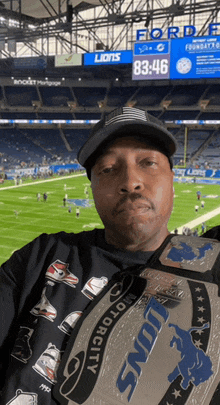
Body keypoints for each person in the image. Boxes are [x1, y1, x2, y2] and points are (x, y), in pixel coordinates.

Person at [0, 107, 219, 405]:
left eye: (148, 163)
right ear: (92, 186)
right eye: (107, 169)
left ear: (172, 177)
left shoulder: (212, 268)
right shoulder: (41, 257)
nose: (130, 181)